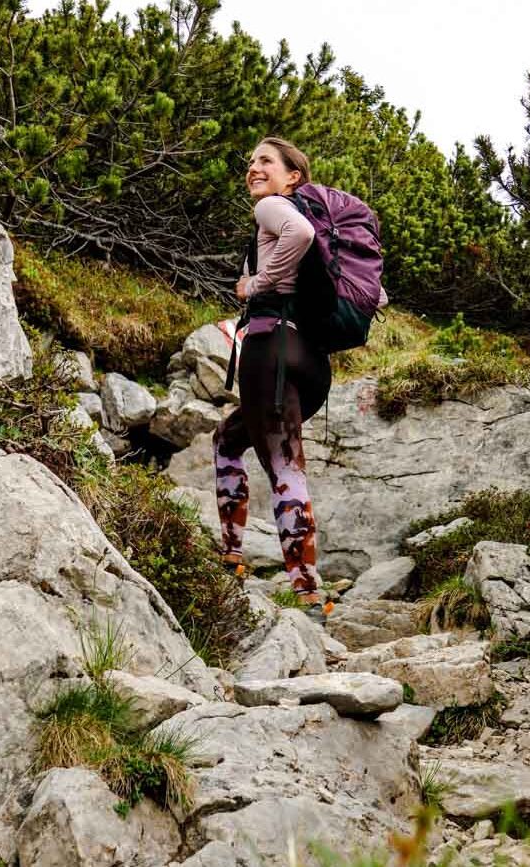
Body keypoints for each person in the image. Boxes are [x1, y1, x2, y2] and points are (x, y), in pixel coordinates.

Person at [212, 137, 332, 619]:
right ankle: (232, 554)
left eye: (265, 161)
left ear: (292, 177)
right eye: (251, 161)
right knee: (228, 437)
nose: (253, 168)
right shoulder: (321, 227)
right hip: (306, 356)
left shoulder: (274, 210)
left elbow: (298, 234)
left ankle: (306, 592)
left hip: (270, 352)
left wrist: (257, 284)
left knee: (285, 466)